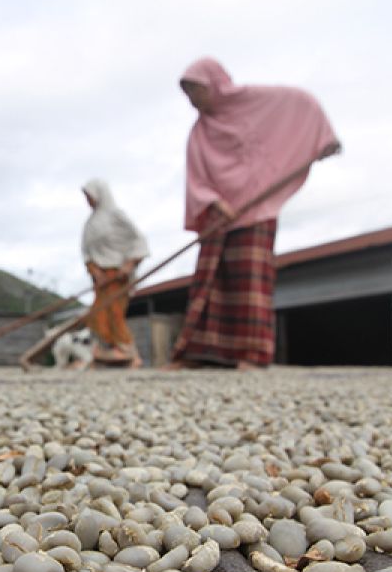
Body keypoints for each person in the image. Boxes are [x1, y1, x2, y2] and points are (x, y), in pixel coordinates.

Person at [167, 57, 340, 370]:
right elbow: (196, 177)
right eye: (187, 94)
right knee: (209, 282)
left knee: (249, 282)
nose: (192, 100)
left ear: (214, 84)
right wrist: (214, 201)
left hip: (255, 209)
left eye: (195, 90)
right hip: (218, 215)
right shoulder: (199, 132)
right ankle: (198, 353)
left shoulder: (257, 102)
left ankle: (251, 354)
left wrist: (323, 139)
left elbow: (301, 106)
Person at [81, 178, 150, 368]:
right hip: (100, 278)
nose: (88, 200)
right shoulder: (91, 223)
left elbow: (138, 240)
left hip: (117, 276)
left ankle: (128, 351)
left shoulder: (116, 216)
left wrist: (129, 264)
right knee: (97, 314)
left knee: (115, 312)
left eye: (90, 196)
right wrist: (95, 270)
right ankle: (109, 350)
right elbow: (87, 252)